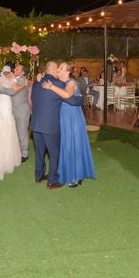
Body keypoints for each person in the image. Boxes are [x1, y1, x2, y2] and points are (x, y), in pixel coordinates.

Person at [31, 61, 83, 189]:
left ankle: (39, 176)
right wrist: (81, 99)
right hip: (50, 126)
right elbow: (72, 100)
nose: (59, 71)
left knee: (39, 152)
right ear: (54, 71)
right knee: (54, 153)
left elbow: (33, 99)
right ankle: (53, 181)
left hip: (35, 124)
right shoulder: (59, 84)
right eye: (58, 69)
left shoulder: (36, 83)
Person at [43, 62, 96, 187]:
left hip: (72, 118)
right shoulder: (59, 81)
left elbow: (67, 95)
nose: (58, 70)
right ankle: (64, 172)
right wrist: (41, 77)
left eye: (61, 68)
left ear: (68, 72)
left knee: (73, 144)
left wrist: (51, 87)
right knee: (64, 144)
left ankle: (76, 176)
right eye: (58, 68)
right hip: (61, 116)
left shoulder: (71, 82)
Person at [0, 63, 31, 162]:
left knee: (22, 133)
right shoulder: (14, 79)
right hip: (12, 110)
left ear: (23, 72)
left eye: (18, 69)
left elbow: (12, 92)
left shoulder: (22, 80)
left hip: (21, 111)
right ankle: (16, 151)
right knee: (15, 132)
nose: (15, 70)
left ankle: (24, 154)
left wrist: (0, 89)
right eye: (15, 68)